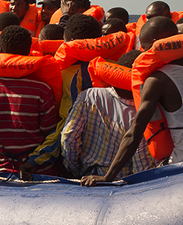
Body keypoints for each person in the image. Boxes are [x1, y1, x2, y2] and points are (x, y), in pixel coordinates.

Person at [82, 17, 183, 186]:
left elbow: (134, 133)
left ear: (156, 44)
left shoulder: (157, 80)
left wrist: (107, 177)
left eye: (145, 47)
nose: (143, 52)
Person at [0, 26, 59, 177]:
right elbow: (49, 133)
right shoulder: (42, 89)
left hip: (1, 169)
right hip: (38, 171)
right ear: (28, 53)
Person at [61, 50, 157, 178]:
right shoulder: (141, 114)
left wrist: (74, 170)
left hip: (86, 175)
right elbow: (141, 166)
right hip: (122, 181)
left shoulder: (89, 96)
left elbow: (69, 138)